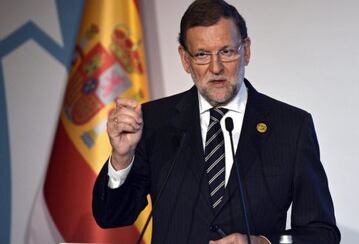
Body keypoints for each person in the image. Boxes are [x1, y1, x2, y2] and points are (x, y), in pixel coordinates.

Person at [92, 0, 341, 243]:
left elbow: (322, 234)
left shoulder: (291, 127)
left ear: (247, 50)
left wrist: (263, 243)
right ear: (185, 59)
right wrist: (122, 158)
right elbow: (112, 216)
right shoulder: (154, 122)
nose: (216, 67)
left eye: (227, 51)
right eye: (202, 54)